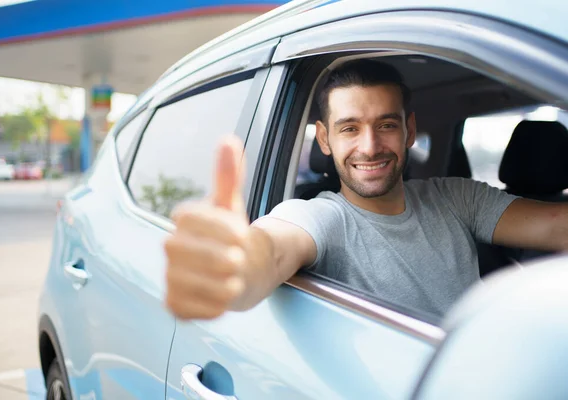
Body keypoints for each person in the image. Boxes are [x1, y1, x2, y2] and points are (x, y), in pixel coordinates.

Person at [164, 59, 568, 319]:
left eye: (386, 125)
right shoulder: (321, 217)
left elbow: (556, 226)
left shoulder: (456, 196)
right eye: (350, 128)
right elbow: (268, 251)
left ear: (409, 130)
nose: (370, 146)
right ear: (324, 139)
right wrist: (232, 268)